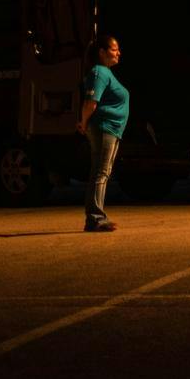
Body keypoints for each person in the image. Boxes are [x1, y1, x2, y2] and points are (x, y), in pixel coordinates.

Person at [78, 34, 128, 233]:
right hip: (104, 128)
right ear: (102, 52)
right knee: (101, 172)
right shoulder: (99, 72)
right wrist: (83, 123)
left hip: (110, 128)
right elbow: (90, 103)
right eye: (114, 49)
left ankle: (95, 217)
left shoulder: (105, 72)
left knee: (100, 172)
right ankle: (95, 217)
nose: (118, 53)